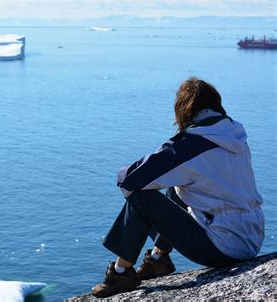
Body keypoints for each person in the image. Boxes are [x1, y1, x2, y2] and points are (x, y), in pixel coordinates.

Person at [92, 77, 265, 298]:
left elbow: (130, 180)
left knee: (143, 198)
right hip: (252, 237)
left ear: (184, 110)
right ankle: (157, 260)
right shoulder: (235, 136)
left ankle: (121, 273)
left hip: (223, 248)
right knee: (176, 188)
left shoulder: (189, 146)